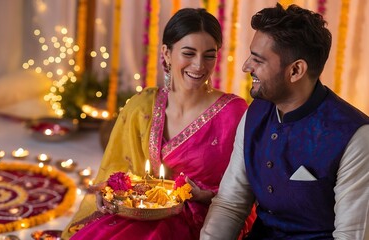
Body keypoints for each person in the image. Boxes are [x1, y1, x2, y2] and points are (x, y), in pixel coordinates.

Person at [61, 8, 255, 240]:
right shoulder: (142, 107)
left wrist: (203, 195)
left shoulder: (233, 112)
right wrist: (111, 190)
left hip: (204, 219)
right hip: (142, 210)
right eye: (189, 53)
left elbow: (246, 190)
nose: (199, 65)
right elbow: (122, 169)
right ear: (166, 53)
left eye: (209, 55)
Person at [200, 3, 369, 240]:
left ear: (296, 70)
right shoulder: (254, 115)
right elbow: (230, 203)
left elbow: (351, 235)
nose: (246, 66)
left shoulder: (355, 136)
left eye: (258, 60)